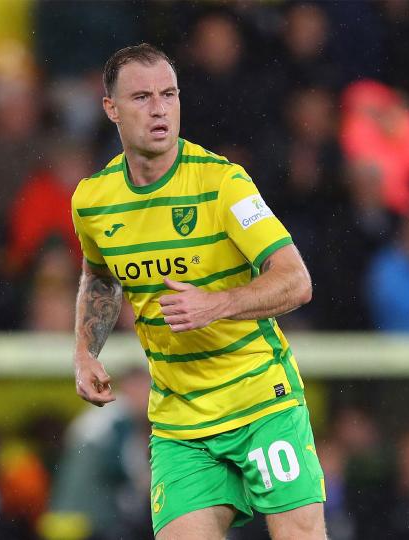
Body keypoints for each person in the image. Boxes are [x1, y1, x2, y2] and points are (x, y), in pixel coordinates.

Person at [70, 44, 325, 540]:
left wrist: (218, 304)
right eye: (142, 97)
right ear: (111, 109)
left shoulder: (223, 184)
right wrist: (84, 352)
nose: (160, 108)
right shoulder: (93, 201)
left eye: (169, 94)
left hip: (262, 405)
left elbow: (297, 280)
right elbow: (100, 276)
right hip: (181, 424)